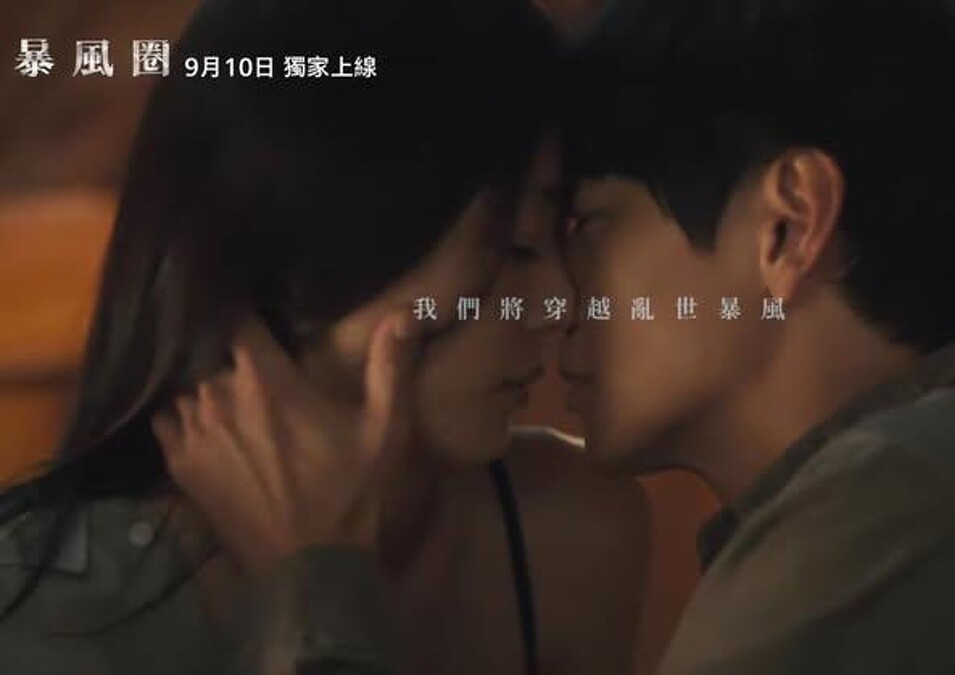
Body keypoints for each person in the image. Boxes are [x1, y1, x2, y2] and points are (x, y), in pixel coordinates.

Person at [152, 0, 955, 673]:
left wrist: (317, 587)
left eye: (587, 227)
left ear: (786, 225)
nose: (554, 298)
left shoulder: (910, 508)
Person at [0, 1, 648, 674]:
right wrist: (322, 583)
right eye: (513, 248)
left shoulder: (566, 530)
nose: (559, 303)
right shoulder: (42, 607)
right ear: (298, 243)